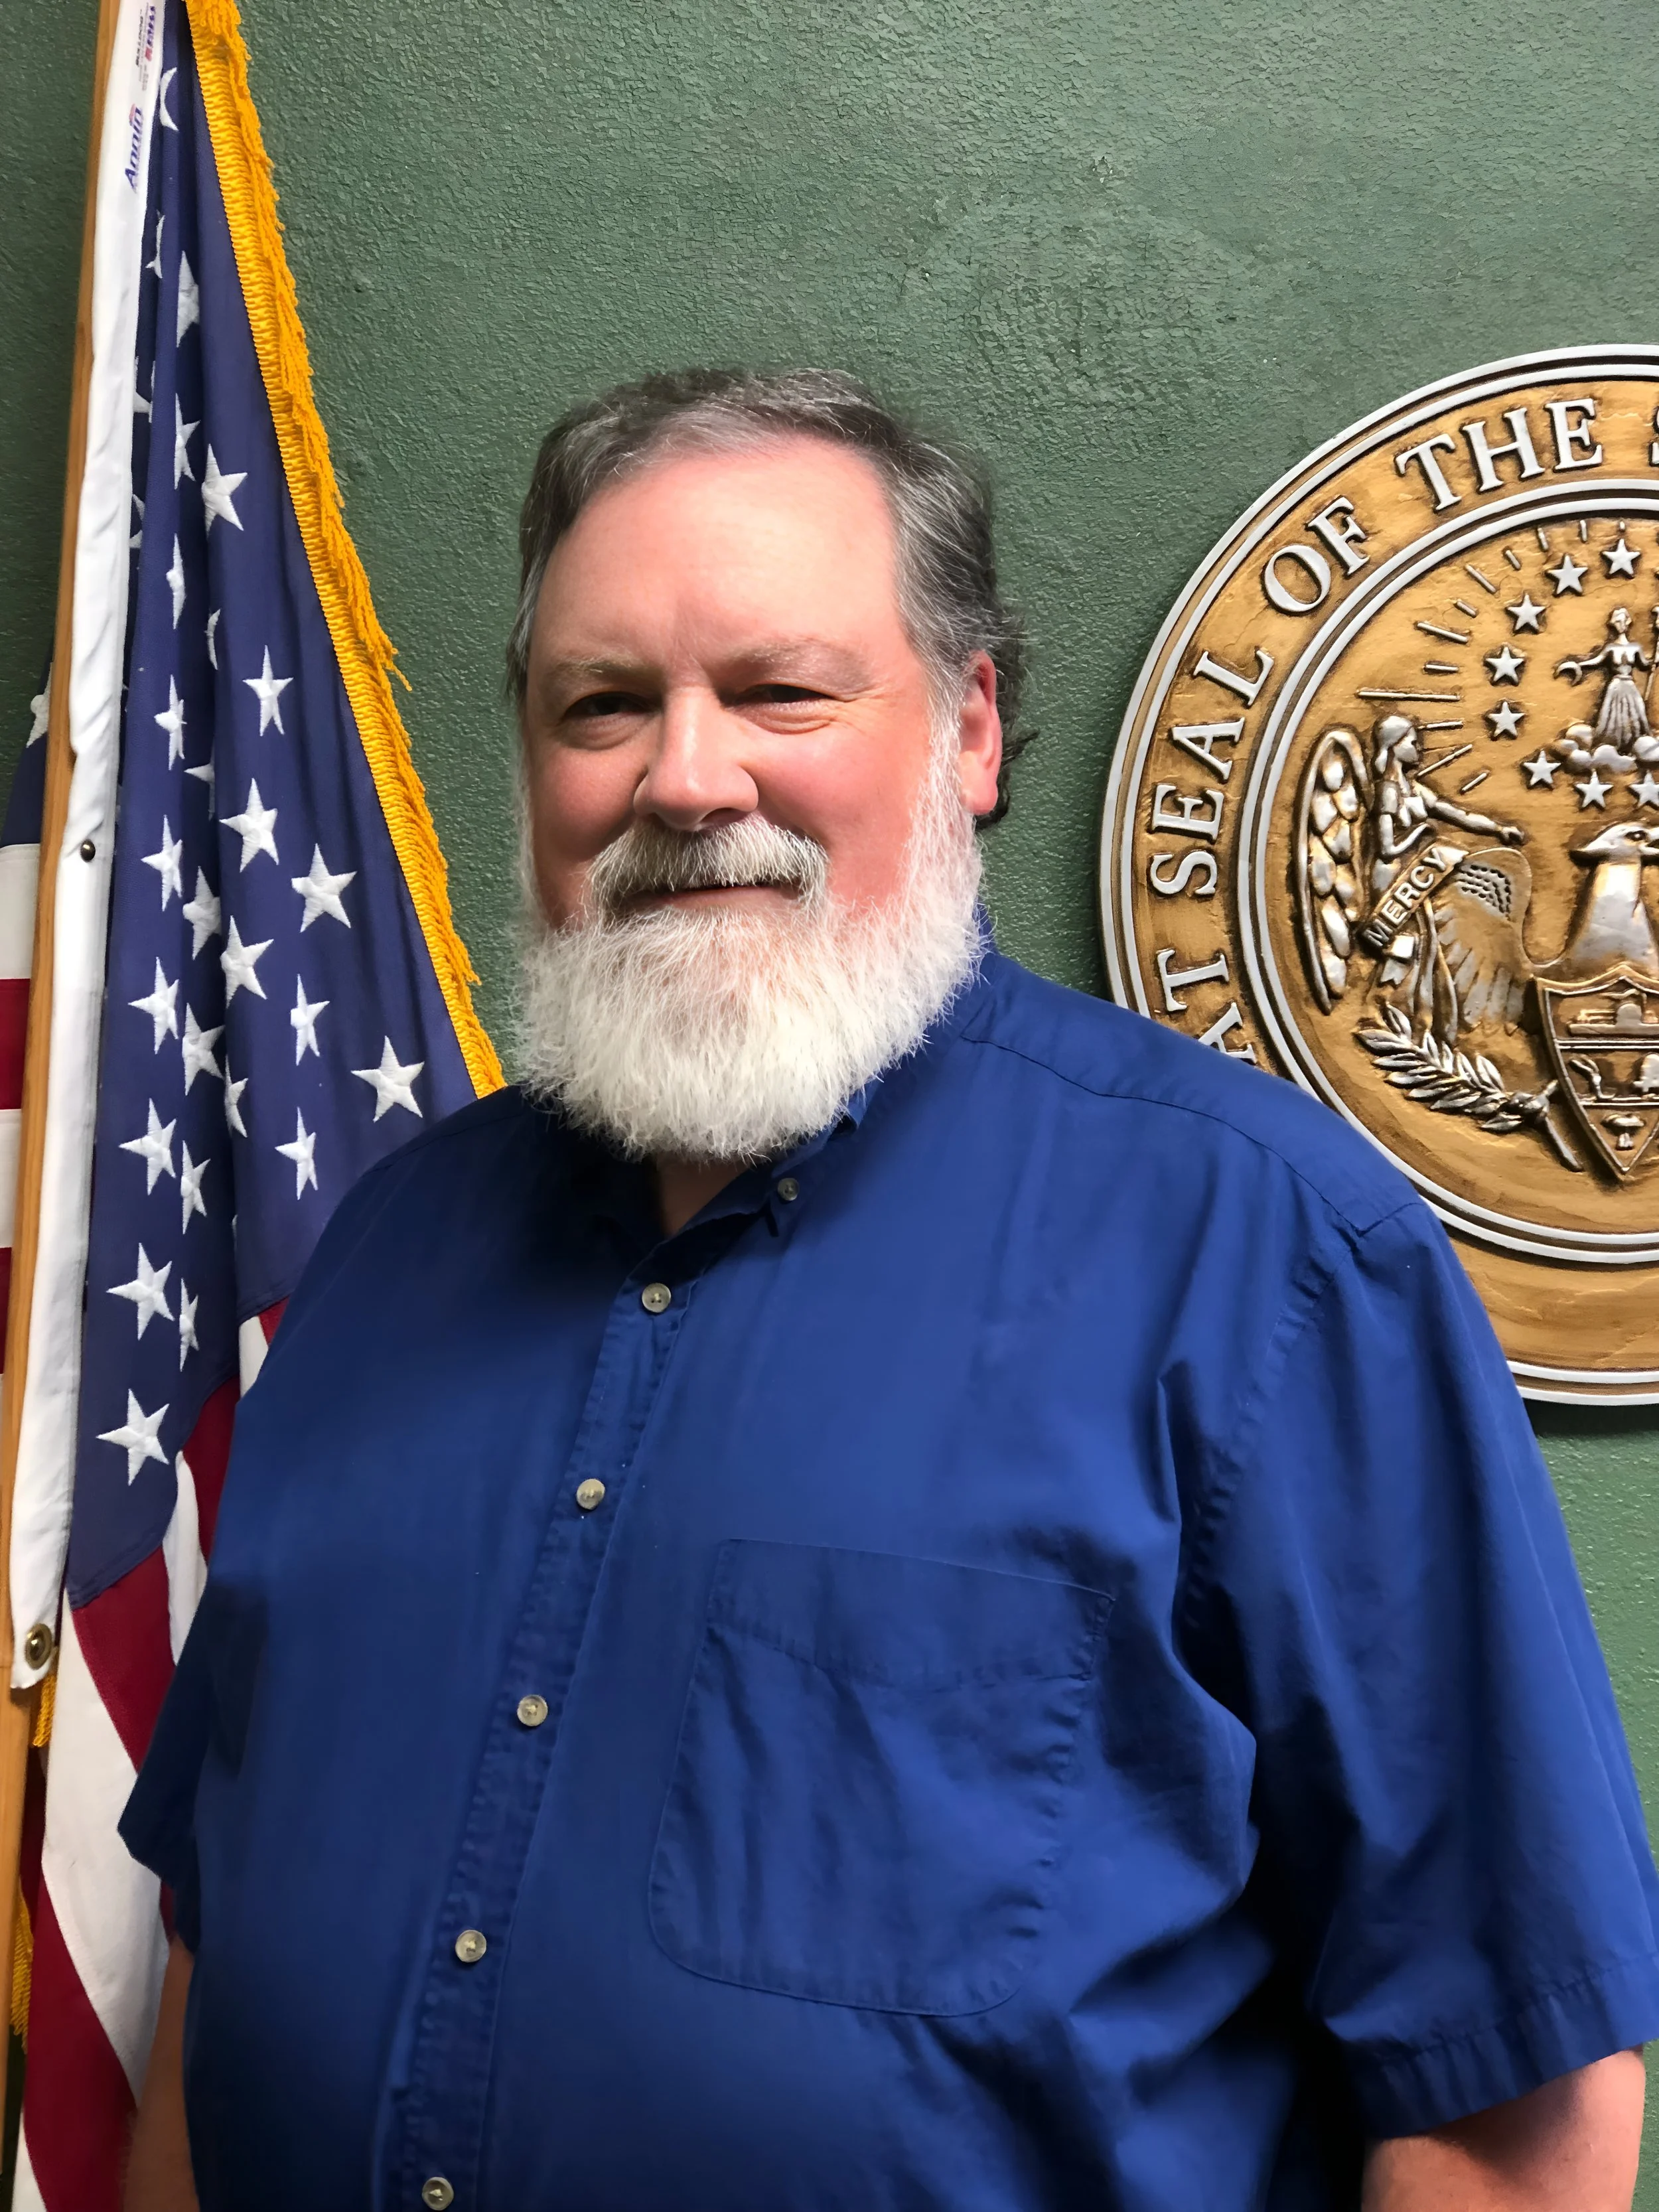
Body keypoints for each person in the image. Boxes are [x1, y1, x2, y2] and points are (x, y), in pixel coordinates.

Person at [122, 370, 1659, 2212]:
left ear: (968, 728)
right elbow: (219, 1958)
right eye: (602, 704)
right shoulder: (380, 1256)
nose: (687, 779)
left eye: (778, 690)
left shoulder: (1262, 1256)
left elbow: (1514, 2110)